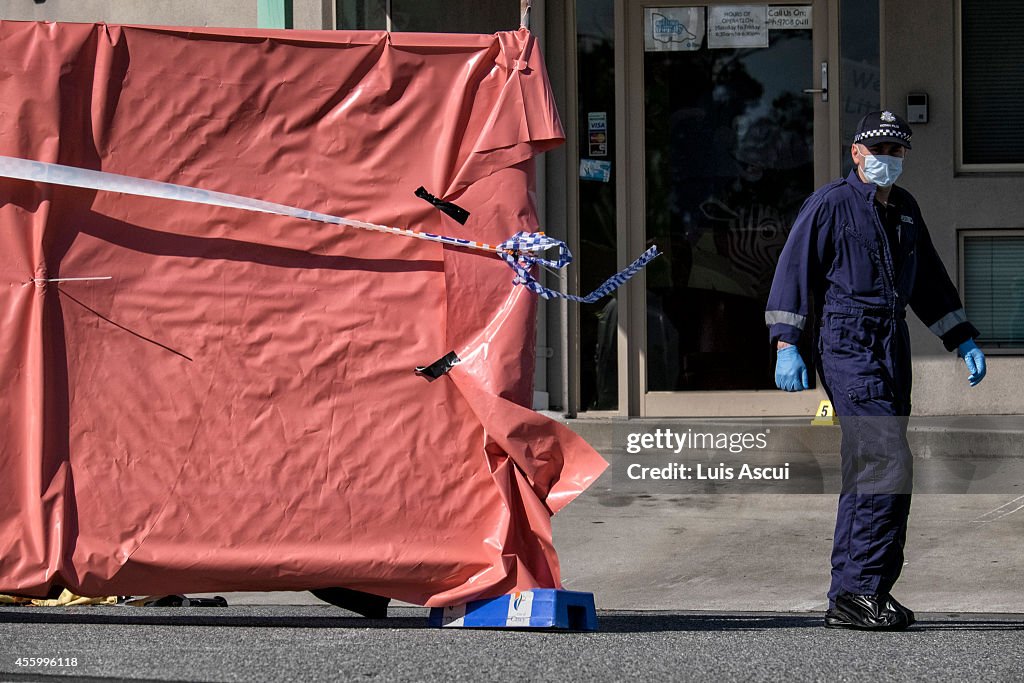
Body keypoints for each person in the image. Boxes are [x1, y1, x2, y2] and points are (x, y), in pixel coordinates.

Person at [764, 111, 987, 631]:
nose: (889, 156)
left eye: (898, 148)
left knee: (877, 465)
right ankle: (860, 590)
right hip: (848, 341)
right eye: (879, 146)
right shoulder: (831, 204)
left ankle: (858, 592)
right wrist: (786, 344)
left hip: (891, 341)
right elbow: (793, 270)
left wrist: (961, 335)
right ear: (856, 152)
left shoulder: (904, 210)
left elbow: (928, 277)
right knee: (884, 460)